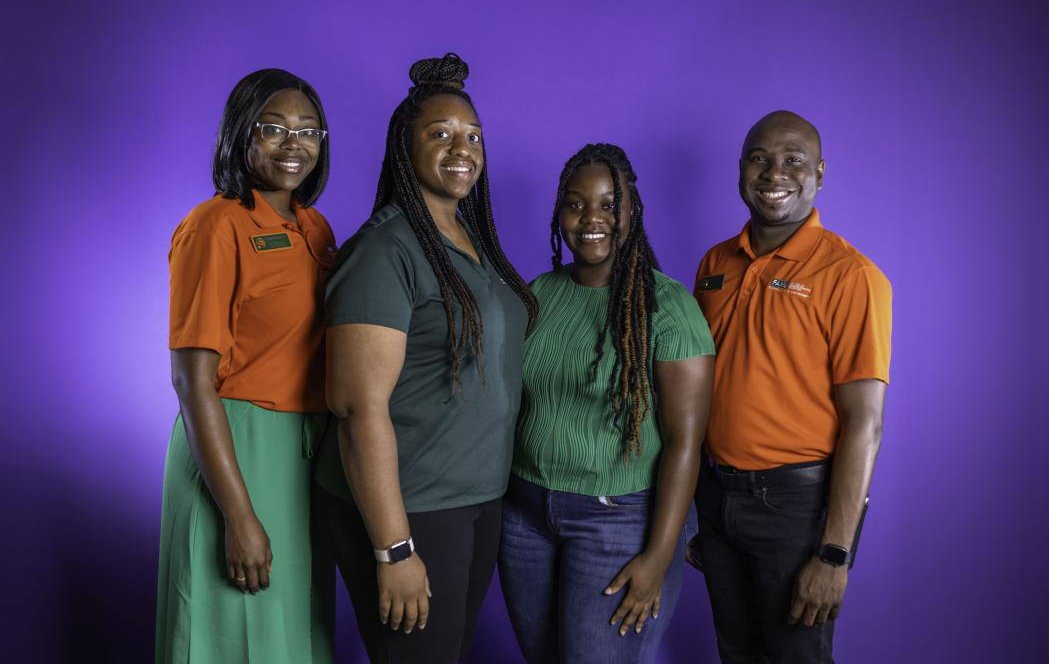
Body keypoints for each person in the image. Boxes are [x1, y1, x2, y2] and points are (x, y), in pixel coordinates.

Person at [311, 53, 538, 664]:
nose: (461, 147)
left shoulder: (472, 240)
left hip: (474, 498)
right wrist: (393, 548)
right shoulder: (384, 250)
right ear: (404, 150)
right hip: (408, 505)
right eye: (439, 134)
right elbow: (357, 409)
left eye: (472, 136)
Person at [499, 143, 716, 663]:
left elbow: (686, 443)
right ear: (559, 214)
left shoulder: (667, 308)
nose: (591, 219)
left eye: (608, 204)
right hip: (524, 517)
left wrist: (659, 557)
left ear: (632, 212)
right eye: (575, 205)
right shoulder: (538, 295)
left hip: (616, 522)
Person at [691, 110, 892, 663]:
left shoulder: (851, 276)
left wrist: (834, 554)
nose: (773, 172)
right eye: (759, 158)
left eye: (793, 160)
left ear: (820, 173)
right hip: (717, 498)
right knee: (736, 654)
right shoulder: (714, 263)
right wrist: (701, 510)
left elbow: (865, 423)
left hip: (795, 508)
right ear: (740, 170)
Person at [155, 69, 336, 664]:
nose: (295, 144)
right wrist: (238, 513)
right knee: (228, 631)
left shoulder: (314, 227)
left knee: (291, 634)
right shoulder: (215, 225)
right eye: (275, 128)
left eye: (309, 130)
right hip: (235, 445)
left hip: (304, 453)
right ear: (241, 134)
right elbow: (191, 379)